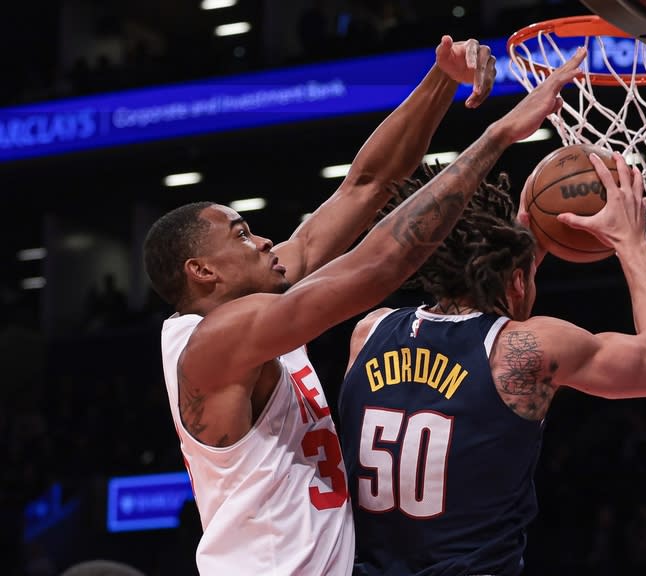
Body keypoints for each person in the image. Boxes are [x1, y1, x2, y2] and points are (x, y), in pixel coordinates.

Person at [142, 33, 586, 576]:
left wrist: (441, 79)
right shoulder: (215, 343)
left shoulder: (258, 303)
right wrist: (496, 137)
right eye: (241, 235)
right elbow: (379, 266)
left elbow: (366, 185)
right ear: (202, 272)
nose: (262, 242)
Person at [338, 151, 646, 575]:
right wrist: (632, 243)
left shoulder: (370, 332)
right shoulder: (527, 349)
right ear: (520, 280)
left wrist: (522, 246)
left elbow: (492, 308)